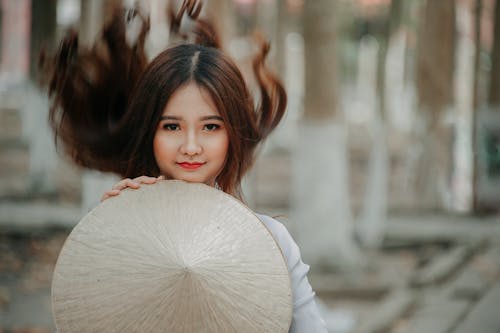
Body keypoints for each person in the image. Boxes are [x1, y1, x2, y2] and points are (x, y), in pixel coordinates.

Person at [41, 0, 327, 331]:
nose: (191, 147)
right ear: (149, 131)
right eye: (172, 126)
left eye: (210, 127)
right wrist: (110, 229)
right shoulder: (113, 237)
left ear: (232, 134)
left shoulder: (273, 243)